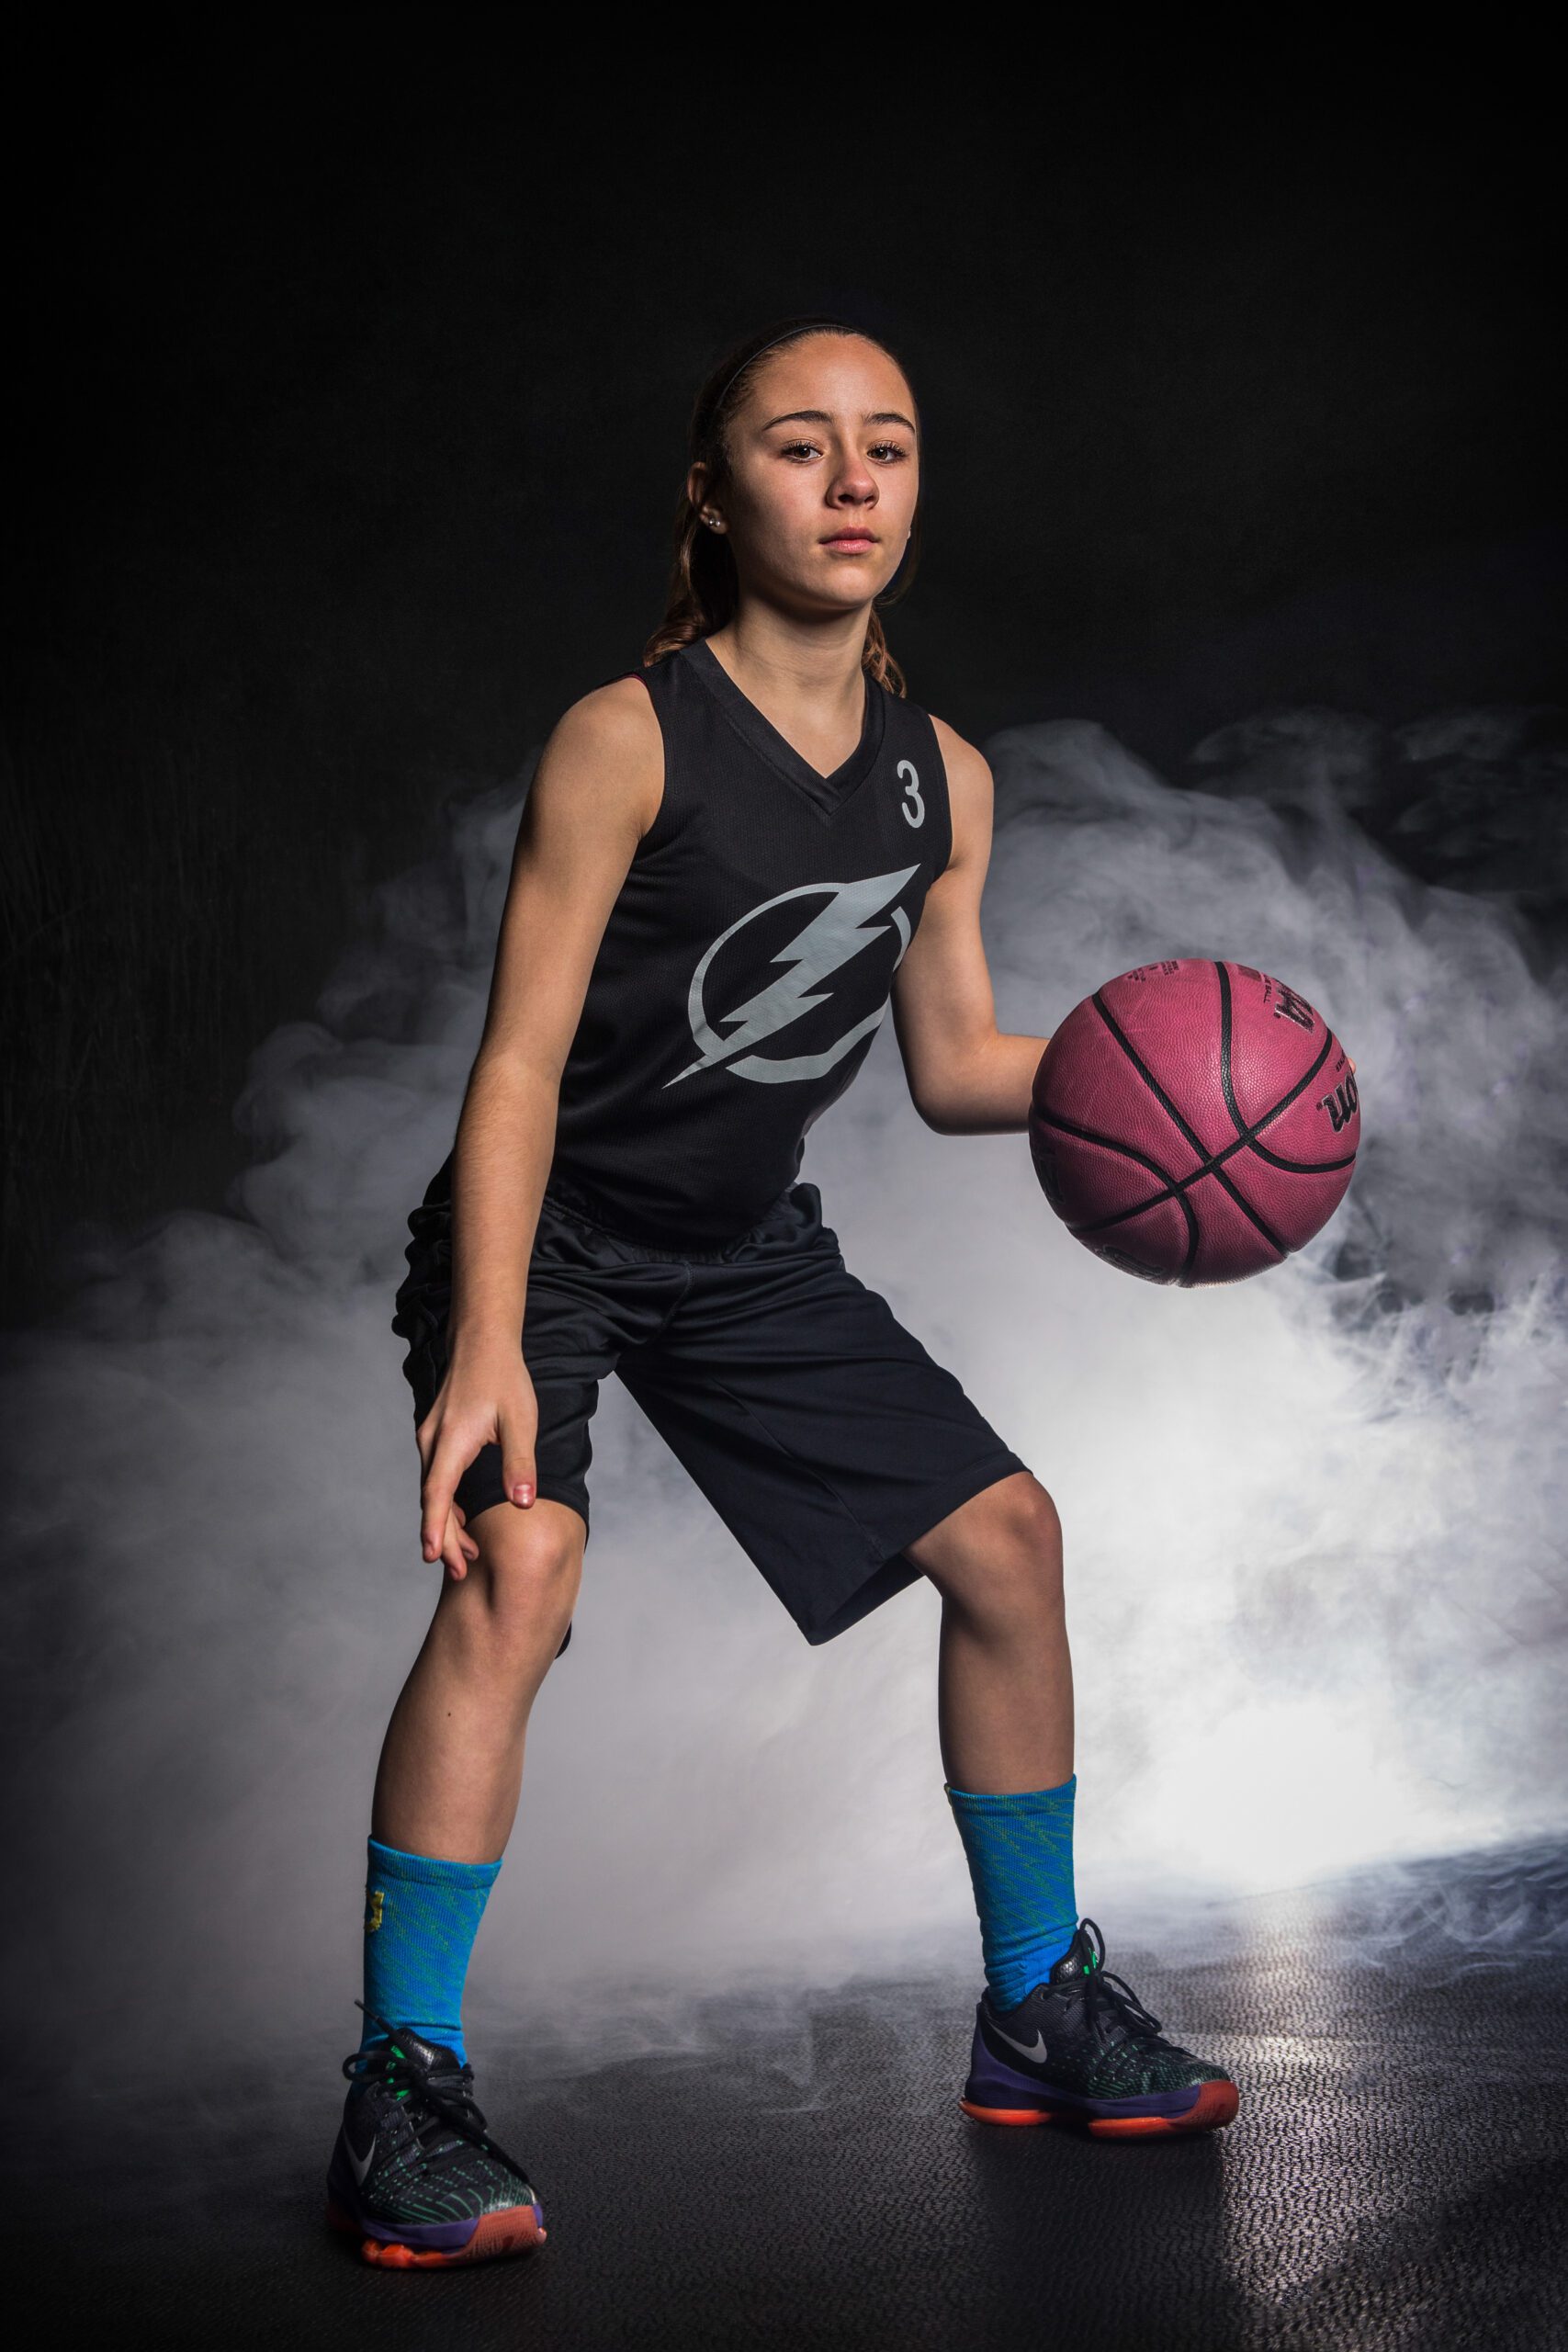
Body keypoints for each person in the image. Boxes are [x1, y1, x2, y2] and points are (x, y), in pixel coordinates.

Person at [325, 316, 1240, 2269]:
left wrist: (1171, 1074)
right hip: (547, 1230)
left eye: (885, 447)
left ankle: (1034, 2008)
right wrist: (485, 1334)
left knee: (1009, 1538)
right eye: (799, 445)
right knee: (519, 1569)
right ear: (713, 495)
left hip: (743, 1250)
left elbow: (956, 1064)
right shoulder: (629, 735)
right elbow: (514, 1065)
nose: (849, 483)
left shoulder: (941, 778)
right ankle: (402, 2081)